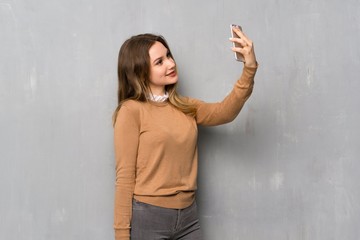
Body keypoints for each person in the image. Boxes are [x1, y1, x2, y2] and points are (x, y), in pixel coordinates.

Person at [113, 26, 258, 240]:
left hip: (188, 217)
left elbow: (224, 112)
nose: (171, 64)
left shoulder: (185, 106)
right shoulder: (131, 111)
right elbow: (125, 178)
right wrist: (121, 236)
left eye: (168, 56)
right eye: (159, 62)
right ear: (140, 70)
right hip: (149, 218)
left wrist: (249, 68)